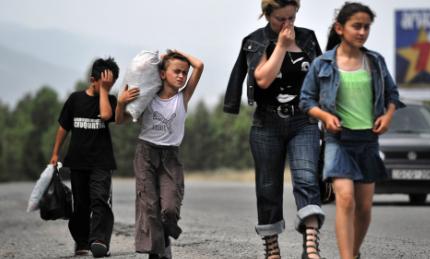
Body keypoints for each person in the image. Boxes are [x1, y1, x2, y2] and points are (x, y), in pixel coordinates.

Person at [299, 2, 405, 259]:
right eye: (356, 26)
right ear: (340, 28)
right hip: (338, 141)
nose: (362, 32)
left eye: (366, 27)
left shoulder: (375, 61)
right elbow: (306, 100)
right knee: (345, 199)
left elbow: (392, 95)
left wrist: (388, 116)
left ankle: (353, 254)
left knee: (365, 207)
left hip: (368, 141)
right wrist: (325, 116)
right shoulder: (323, 64)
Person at [224, 0, 325, 258]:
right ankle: (272, 247)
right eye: (282, 18)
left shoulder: (308, 38)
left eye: (292, 17)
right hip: (266, 123)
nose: (288, 24)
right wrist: (280, 45)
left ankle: (311, 244)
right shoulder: (255, 41)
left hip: (304, 120)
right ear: (267, 15)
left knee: (306, 178)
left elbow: (322, 78)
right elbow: (263, 79)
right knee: (268, 187)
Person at [115, 50, 204, 259]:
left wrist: (176, 53)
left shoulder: (183, 97)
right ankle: (157, 252)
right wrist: (120, 102)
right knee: (150, 207)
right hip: (146, 153)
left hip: (171, 157)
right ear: (163, 74)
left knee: (170, 208)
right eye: (176, 71)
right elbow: (120, 121)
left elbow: (199, 65)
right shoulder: (148, 99)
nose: (181, 76)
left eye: (184, 73)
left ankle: (165, 236)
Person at [49, 57, 120, 257]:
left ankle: (99, 240)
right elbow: (63, 127)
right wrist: (55, 153)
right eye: (104, 83)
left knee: (100, 200)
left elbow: (106, 115)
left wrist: (105, 91)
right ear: (92, 79)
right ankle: (81, 241)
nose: (108, 86)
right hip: (78, 162)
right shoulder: (75, 99)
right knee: (81, 205)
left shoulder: (110, 101)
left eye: (111, 83)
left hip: (101, 162)